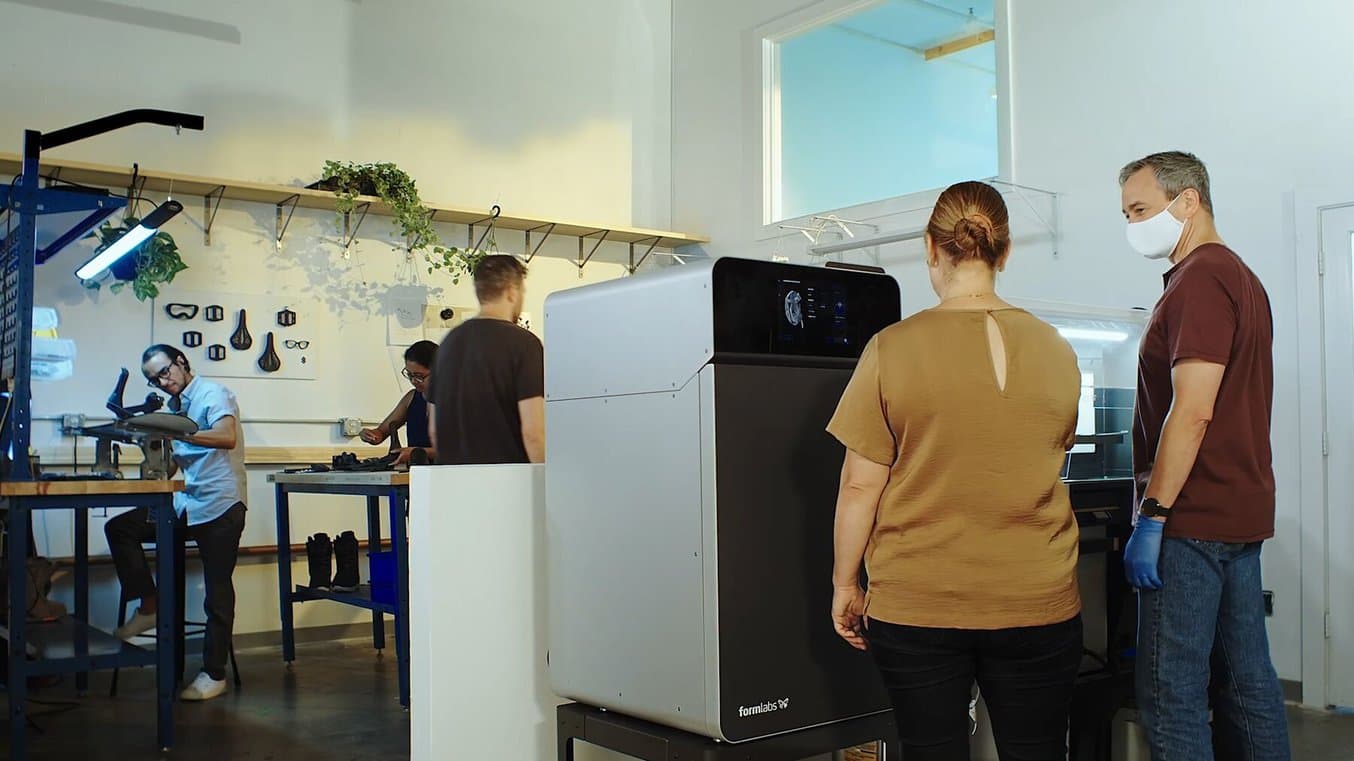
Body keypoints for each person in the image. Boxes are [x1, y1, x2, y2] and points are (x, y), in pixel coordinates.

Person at [828, 181, 1083, 760]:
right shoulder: (1057, 349)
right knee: (1038, 751)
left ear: (929, 247)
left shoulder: (891, 348)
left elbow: (859, 484)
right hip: (1037, 599)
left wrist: (846, 584)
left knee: (932, 750)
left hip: (918, 603)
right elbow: (1048, 452)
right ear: (1006, 251)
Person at [1118, 151, 1290, 760]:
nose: (1133, 225)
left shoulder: (1200, 278)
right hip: (1238, 512)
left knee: (1172, 693)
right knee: (1249, 685)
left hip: (1191, 522)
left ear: (1187, 199)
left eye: (1140, 209)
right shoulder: (1240, 275)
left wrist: (1154, 516)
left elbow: (1191, 410)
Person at [105, 344, 247, 702]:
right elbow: (171, 465)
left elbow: (225, 437)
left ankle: (214, 674)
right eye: (154, 378)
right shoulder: (174, 407)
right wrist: (146, 444)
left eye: (165, 371)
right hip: (187, 502)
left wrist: (174, 434)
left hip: (220, 503)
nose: (163, 381)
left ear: (182, 362)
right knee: (121, 528)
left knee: (217, 589)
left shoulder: (213, 393)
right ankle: (149, 606)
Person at [429, 254, 544, 464]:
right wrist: (547, 488)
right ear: (511, 291)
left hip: (454, 483)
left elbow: (435, 430)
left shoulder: (447, 345)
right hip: (508, 483)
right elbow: (533, 433)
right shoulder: (524, 344)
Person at [360, 340, 438, 465]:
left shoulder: (456, 402)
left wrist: (417, 452)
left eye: (419, 376)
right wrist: (371, 435)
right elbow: (381, 432)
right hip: (417, 473)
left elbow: (459, 451)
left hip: (449, 473)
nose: (413, 381)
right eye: (409, 374)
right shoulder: (412, 398)